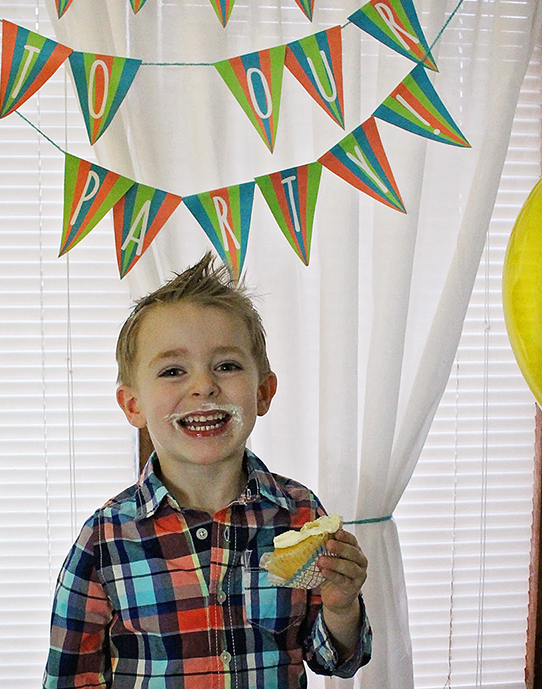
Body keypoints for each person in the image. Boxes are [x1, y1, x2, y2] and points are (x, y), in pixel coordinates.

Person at [43, 253, 371, 687]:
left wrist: (342, 606)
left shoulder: (300, 514)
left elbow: (333, 660)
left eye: (227, 366)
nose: (203, 385)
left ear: (263, 393)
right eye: (173, 370)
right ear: (133, 405)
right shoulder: (104, 539)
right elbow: (71, 678)